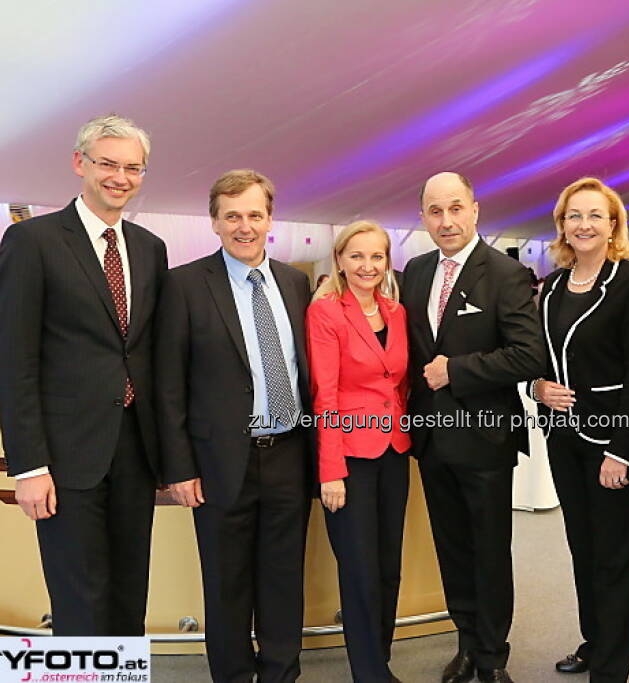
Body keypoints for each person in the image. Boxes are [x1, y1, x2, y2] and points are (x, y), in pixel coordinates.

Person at [0, 114, 167, 635]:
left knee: (128, 594)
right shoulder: (33, 241)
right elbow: (17, 361)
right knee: (80, 600)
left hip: (136, 451)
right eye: (107, 164)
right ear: (79, 164)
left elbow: (148, 351)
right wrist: (29, 466)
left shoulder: (149, 248)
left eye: (132, 167)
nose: (120, 177)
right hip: (66, 459)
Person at [155, 169, 313, 683]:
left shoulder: (295, 281)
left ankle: (280, 674)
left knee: (284, 579)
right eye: (232, 217)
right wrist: (179, 467)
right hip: (221, 461)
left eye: (254, 215)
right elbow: (169, 386)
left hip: (289, 452)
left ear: (271, 219)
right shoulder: (182, 285)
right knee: (226, 584)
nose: (244, 227)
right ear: (215, 223)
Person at [400, 172, 544, 683]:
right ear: (422, 217)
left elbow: (529, 354)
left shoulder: (504, 273)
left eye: (455, 208)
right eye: (435, 211)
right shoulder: (414, 272)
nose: (446, 221)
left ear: (475, 210)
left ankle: (492, 656)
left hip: (485, 439)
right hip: (432, 441)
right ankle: (465, 644)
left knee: (489, 552)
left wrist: (456, 370)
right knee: (453, 550)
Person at [528, 177, 629, 682]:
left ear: (613, 225)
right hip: (565, 440)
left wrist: (622, 451)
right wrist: (538, 386)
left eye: (595, 215)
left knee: (615, 557)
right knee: (584, 549)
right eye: (574, 215)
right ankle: (594, 640)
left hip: (616, 444)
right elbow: (540, 357)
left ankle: (612, 664)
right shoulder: (554, 286)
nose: (583, 224)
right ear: (562, 225)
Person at [307, 220, 410, 683]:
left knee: (389, 568)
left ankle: (379, 661)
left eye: (377, 257)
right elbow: (324, 396)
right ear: (341, 261)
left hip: (393, 451)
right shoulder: (326, 313)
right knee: (361, 571)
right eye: (357, 256)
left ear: (387, 262)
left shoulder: (396, 310)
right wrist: (330, 469)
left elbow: (399, 382)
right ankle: (369, 674)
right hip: (348, 459)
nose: (367, 266)